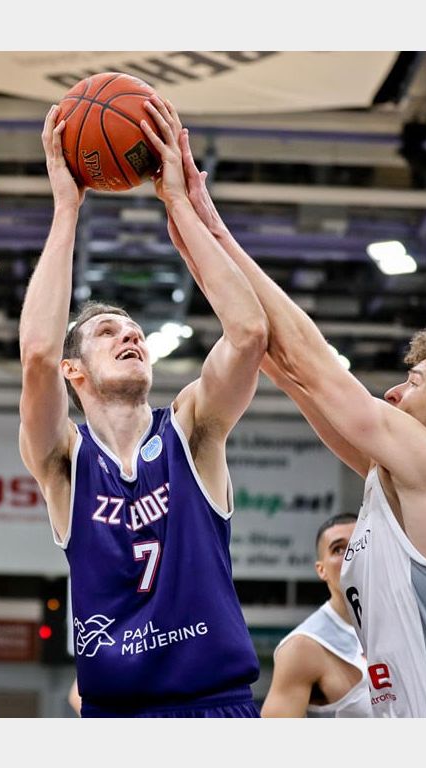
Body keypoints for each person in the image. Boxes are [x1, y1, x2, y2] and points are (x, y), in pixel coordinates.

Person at [161, 128, 426, 718]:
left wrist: (206, 221)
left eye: (414, 383)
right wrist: (196, 237)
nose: (393, 391)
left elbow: (316, 365)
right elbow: (284, 363)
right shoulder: (404, 481)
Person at [16, 98, 268, 717]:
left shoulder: (192, 429)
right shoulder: (65, 460)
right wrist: (66, 210)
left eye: (135, 331)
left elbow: (249, 336)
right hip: (116, 713)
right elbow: (38, 354)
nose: (130, 336)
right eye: (107, 332)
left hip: (216, 706)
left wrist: (178, 202)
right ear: (74, 371)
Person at [262, 514, 372, 718]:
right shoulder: (301, 647)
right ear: (321, 570)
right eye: (339, 549)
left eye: (361, 543)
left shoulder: (407, 624)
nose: (353, 555)